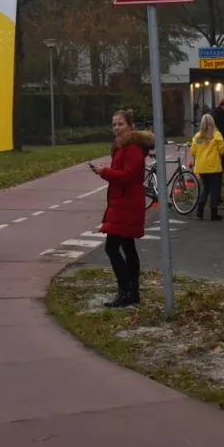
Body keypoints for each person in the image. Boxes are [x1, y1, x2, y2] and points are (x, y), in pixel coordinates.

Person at [89, 109, 153, 307]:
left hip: (127, 202)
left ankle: (126, 290)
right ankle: (132, 292)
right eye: (114, 124)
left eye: (121, 124)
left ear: (130, 126)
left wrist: (104, 172)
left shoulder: (131, 147)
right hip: (123, 201)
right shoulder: (121, 146)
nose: (116, 128)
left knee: (112, 247)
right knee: (127, 246)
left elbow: (128, 176)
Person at [190, 113, 224, 220]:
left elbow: (193, 151)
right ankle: (213, 213)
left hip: (201, 167)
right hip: (213, 167)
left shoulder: (198, 136)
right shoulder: (216, 135)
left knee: (206, 189)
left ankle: (200, 211)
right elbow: (223, 150)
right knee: (214, 190)